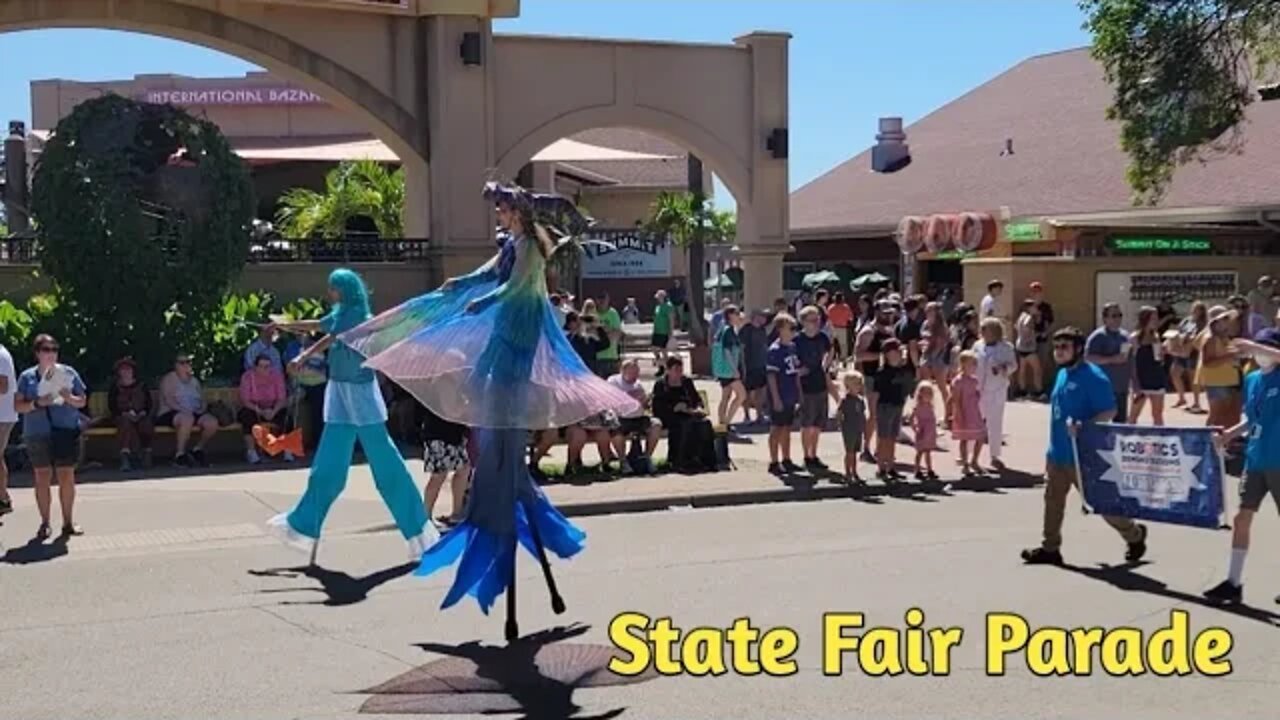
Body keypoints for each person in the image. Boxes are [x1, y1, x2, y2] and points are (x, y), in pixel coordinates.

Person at [345, 181, 638, 626]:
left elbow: (513, 289)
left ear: (516, 212)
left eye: (501, 210)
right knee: (493, 439)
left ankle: (504, 502)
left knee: (500, 435)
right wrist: (457, 284)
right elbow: (487, 275)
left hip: (518, 343)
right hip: (503, 338)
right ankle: (502, 494)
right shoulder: (512, 244)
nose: (497, 216)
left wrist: (478, 303)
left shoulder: (531, 251)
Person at [267, 269, 436, 563]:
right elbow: (319, 325)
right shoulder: (341, 311)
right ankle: (302, 526)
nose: (330, 293)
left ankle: (420, 532)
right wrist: (284, 325)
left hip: (360, 394)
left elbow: (330, 336)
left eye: (334, 288)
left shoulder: (356, 314)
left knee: (386, 468)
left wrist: (302, 357)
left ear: (346, 289)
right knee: (328, 469)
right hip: (340, 393)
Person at [1021, 327, 1148, 566]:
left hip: (1085, 455)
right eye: (1056, 347)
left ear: (1078, 349)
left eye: (1064, 347)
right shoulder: (1061, 374)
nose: (1058, 352)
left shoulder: (1093, 376)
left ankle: (1135, 535)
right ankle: (1050, 548)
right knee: (1053, 501)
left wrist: (1085, 425)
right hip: (1058, 452)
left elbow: (1110, 411)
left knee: (1101, 504)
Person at [1203, 330, 1280, 604]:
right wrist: (1228, 435)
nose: (1259, 354)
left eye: (1265, 349)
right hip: (1256, 458)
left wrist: (1254, 344)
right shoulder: (1252, 380)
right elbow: (1252, 418)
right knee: (1241, 518)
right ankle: (1233, 582)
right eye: (1256, 349)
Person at [14, 334, 88, 538]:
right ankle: (45, 522)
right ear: (37, 353)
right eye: (46, 350)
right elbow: (18, 405)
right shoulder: (27, 377)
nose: (51, 354)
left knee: (66, 476)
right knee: (42, 477)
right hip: (37, 432)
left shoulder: (68, 372)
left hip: (65, 430)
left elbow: (82, 401)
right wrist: (37, 403)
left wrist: (67, 397)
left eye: (54, 349)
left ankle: (68, 522)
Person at [652, 356, 714, 473]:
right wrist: (674, 408)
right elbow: (658, 407)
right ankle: (679, 460)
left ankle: (703, 460)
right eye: (676, 370)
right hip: (668, 416)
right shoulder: (661, 384)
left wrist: (694, 408)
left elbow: (696, 399)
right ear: (668, 370)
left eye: (681, 369)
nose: (679, 373)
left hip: (687, 413)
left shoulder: (686, 382)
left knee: (705, 424)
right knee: (683, 425)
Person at [157, 354, 220, 468]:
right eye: (182, 362)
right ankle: (179, 455)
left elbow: (202, 399)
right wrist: (184, 410)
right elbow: (168, 400)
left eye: (188, 362)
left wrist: (202, 408)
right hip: (171, 412)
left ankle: (197, 449)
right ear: (175, 365)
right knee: (187, 419)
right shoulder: (169, 378)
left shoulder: (194, 380)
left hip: (193, 412)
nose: (186, 365)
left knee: (212, 422)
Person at [974, 318, 1017, 471]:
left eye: (986, 330)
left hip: (997, 388)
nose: (983, 333)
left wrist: (1002, 368)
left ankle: (994, 456)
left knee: (995, 423)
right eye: (982, 330)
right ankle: (971, 456)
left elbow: (1013, 365)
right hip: (978, 388)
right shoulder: (977, 346)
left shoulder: (1006, 347)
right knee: (975, 422)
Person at [855, 301, 895, 462]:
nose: (888, 316)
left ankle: (880, 449)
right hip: (872, 377)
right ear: (877, 312)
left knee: (886, 415)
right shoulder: (868, 332)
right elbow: (858, 355)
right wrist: (880, 356)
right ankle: (866, 449)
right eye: (885, 313)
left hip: (888, 377)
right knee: (873, 415)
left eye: (890, 313)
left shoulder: (889, 331)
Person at [607, 359, 662, 475]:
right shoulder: (613, 381)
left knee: (656, 424)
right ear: (623, 371)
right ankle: (623, 462)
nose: (635, 376)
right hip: (621, 417)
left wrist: (646, 401)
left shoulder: (638, 383)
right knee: (615, 429)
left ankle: (646, 458)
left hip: (639, 417)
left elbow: (645, 405)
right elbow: (612, 399)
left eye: (637, 372)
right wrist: (630, 397)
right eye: (633, 373)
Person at [796, 306, 834, 470]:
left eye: (818, 319)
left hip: (820, 383)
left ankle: (814, 454)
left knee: (818, 424)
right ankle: (806, 456)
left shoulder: (822, 338)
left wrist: (826, 365)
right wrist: (798, 372)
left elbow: (830, 350)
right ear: (803, 322)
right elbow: (791, 364)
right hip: (805, 387)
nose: (816, 323)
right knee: (807, 424)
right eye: (812, 320)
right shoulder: (797, 340)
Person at [421, 405, 470, 529]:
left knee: (463, 469)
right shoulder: (443, 387)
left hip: (455, 435)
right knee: (438, 476)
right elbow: (452, 409)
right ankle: (425, 516)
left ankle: (456, 514)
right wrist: (468, 409)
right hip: (438, 434)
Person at [238, 352, 291, 464]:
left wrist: (273, 411)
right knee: (246, 417)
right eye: (262, 366)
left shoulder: (277, 375)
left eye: (267, 366)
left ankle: (287, 450)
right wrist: (260, 411)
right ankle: (251, 452)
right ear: (255, 366)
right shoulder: (247, 377)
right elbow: (245, 400)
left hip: (273, 407)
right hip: (254, 407)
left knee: (286, 417)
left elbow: (282, 398)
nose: (265, 369)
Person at [766, 313, 802, 475]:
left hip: (791, 393)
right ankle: (774, 461)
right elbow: (771, 376)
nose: (794, 331)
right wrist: (776, 398)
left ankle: (786, 459)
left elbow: (795, 372)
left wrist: (799, 394)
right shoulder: (774, 350)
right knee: (776, 428)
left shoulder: (792, 347)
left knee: (787, 428)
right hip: (779, 393)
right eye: (790, 328)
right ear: (781, 329)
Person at [1197, 305, 1243, 431]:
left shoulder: (1223, 336)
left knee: (1227, 415)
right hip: (1216, 381)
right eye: (1224, 318)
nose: (1227, 321)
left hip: (1228, 379)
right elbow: (1208, 362)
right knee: (1216, 416)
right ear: (1215, 321)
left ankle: (1225, 443)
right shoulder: (1210, 338)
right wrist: (1230, 356)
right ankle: (1207, 443)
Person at [1085, 303, 1133, 423]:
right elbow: (1088, 358)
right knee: (1099, 423)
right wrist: (1111, 359)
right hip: (1102, 388)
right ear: (1105, 318)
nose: (1118, 319)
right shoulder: (1097, 336)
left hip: (1121, 388)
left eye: (1119, 315)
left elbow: (1129, 360)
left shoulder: (1125, 336)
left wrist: (1135, 383)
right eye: (1114, 316)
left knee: (1120, 424)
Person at [873, 339, 913, 483]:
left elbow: (906, 387)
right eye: (895, 351)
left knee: (892, 437)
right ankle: (880, 467)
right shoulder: (882, 372)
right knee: (883, 437)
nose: (898, 354)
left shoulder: (902, 370)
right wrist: (873, 410)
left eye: (899, 351)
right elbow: (876, 393)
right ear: (887, 354)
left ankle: (890, 466)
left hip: (898, 405)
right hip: (884, 406)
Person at [108, 357, 154, 472]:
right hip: (122, 416)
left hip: (140, 414)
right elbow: (112, 406)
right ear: (119, 372)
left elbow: (149, 403)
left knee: (146, 424)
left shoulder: (142, 385)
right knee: (125, 425)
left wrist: (143, 412)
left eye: (128, 369)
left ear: (133, 371)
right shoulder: (115, 387)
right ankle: (125, 457)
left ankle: (146, 453)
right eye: (123, 369)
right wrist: (124, 413)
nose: (126, 372)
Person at [285, 333, 328, 451]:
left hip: (318, 384)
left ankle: (319, 443)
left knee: (319, 414)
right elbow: (290, 368)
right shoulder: (293, 348)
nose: (302, 337)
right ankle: (293, 444)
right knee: (293, 410)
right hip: (301, 384)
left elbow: (320, 368)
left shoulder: (319, 349)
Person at [1130, 305, 1168, 426]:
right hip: (1141, 381)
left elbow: (1159, 360)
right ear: (1145, 319)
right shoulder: (1135, 338)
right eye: (1153, 318)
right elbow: (1132, 362)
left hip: (1156, 378)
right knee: (1133, 416)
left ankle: (1160, 441)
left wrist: (1163, 352)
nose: (1156, 321)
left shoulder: (1156, 336)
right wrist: (1135, 383)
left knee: (1157, 415)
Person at [950, 351, 985, 476]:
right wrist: (958, 414)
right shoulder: (958, 381)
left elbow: (976, 395)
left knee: (980, 437)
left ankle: (974, 460)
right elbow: (956, 399)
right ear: (963, 365)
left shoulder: (974, 380)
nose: (974, 367)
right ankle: (965, 463)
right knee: (964, 439)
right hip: (964, 412)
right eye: (972, 364)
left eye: (975, 364)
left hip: (974, 412)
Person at [712, 305, 747, 428]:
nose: (739, 316)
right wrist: (734, 370)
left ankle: (723, 423)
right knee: (741, 395)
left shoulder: (727, 329)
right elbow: (727, 351)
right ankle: (726, 422)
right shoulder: (728, 330)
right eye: (736, 313)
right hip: (728, 370)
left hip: (725, 370)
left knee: (725, 396)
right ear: (730, 315)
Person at [1170, 301, 1208, 413]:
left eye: (1198, 309)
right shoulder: (1187, 320)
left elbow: (1201, 337)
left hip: (1194, 352)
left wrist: (1191, 339)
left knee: (1193, 378)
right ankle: (1181, 398)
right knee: (1174, 373)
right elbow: (1179, 331)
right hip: (1182, 350)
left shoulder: (1204, 323)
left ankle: (1196, 402)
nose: (1195, 311)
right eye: (1194, 308)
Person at [738, 309, 770, 425]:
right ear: (756, 316)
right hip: (749, 365)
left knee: (760, 391)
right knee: (746, 392)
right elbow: (741, 349)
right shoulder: (746, 330)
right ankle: (746, 416)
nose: (765, 318)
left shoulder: (762, 329)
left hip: (761, 365)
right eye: (762, 316)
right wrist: (743, 366)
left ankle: (759, 415)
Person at [837, 372, 867, 484]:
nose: (858, 387)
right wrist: (840, 424)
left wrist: (864, 426)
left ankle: (854, 471)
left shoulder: (860, 400)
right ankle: (847, 473)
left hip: (858, 428)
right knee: (849, 452)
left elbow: (862, 414)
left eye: (859, 384)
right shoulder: (845, 400)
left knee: (855, 452)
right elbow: (839, 413)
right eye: (856, 384)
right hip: (849, 428)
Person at [0, 338, 18, 517]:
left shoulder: (0, 355)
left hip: (2, 416)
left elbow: (3, 386)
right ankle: (3, 498)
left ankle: (3, 499)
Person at [911, 381, 939, 481]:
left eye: (930, 393)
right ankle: (917, 469)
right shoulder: (918, 406)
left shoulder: (931, 406)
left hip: (930, 431)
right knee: (920, 451)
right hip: (922, 431)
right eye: (925, 393)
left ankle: (929, 469)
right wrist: (915, 428)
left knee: (928, 451)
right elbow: (912, 418)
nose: (928, 396)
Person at [1015, 299, 1042, 398]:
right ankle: (1038, 391)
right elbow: (1027, 328)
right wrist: (1033, 335)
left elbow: (1016, 327)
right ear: (1029, 308)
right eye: (1034, 307)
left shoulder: (1021, 316)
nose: (1036, 309)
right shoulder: (1029, 318)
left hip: (1020, 345)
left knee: (1022, 369)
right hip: (1028, 347)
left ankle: (1022, 390)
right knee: (1037, 369)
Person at [595, 292, 624, 378]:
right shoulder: (593, 314)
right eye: (600, 299)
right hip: (597, 357)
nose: (602, 302)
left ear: (608, 300)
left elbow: (617, 333)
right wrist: (607, 331)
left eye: (604, 299)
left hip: (612, 355)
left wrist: (601, 332)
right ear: (596, 300)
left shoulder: (613, 313)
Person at [827, 292, 855, 366]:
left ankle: (831, 361)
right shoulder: (846, 307)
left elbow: (828, 318)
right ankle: (844, 361)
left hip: (832, 328)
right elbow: (851, 318)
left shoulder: (831, 307)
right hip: (842, 328)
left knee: (831, 345)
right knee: (843, 345)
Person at [651, 290, 675, 369]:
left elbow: (671, 319)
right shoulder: (657, 307)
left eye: (659, 297)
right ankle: (659, 362)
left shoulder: (668, 306)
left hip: (664, 331)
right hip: (657, 331)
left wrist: (671, 332)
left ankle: (668, 366)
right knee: (654, 348)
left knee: (663, 350)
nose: (658, 298)